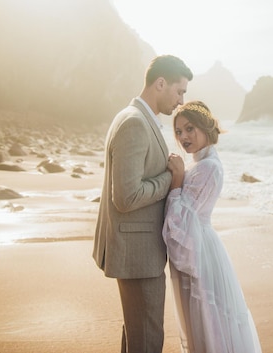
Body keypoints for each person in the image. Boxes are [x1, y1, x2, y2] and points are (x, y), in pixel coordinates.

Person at [93, 55, 193, 353]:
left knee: (138, 336)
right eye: (179, 91)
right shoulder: (135, 123)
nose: (181, 100)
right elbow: (126, 196)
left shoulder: (134, 116)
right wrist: (171, 177)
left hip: (137, 251)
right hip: (137, 255)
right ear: (160, 83)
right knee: (147, 340)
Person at [163, 101, 262, 353]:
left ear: (205, 127)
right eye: (178, 132)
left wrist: (176, 180)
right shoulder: (200, 164)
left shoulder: (206, 167)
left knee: (207, 318)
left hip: (199, 251)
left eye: (189, 128)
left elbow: (182, 222)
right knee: (207, 319)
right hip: (201, 244)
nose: (183, 136)